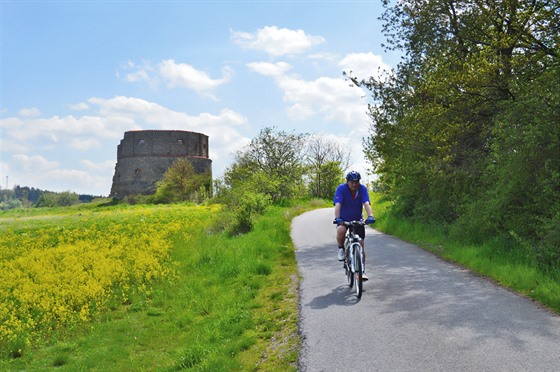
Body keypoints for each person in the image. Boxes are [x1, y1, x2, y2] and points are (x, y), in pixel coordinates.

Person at [333, 171, 375, 280]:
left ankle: (363, 271)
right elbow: (338, 205)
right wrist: (338, 218)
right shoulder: (341, 189)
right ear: (347, 182)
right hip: (344, 218)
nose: (354, 184)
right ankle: (341, 249)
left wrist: (370, 216)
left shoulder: (362, 189)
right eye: (352, 182)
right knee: (341, 231)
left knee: (361, 244)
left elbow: (366, 203)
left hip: (357, 219)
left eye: (356, 182)